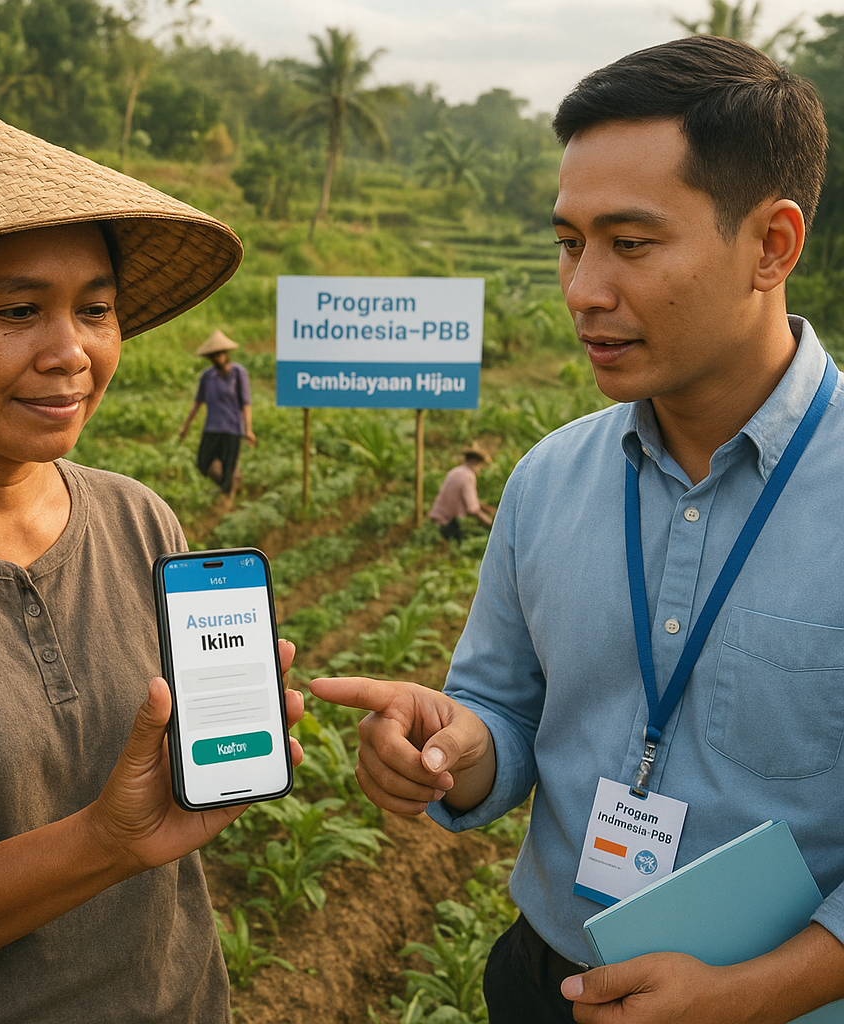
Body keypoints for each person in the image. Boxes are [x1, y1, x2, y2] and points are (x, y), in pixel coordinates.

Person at [311, 36, 844, 1024]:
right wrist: (453, 744)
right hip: (549, 981)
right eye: (569, 241)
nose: (581, 290)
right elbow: (505, 714)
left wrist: (745, 994)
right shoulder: (547, 478)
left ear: (772, 244)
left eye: (630, 244)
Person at [0, 100, 304, 1023]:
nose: (71, 352)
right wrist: (104, 843)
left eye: (96, 309)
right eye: (17, 310)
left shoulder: (138, 520)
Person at [179, 328, 255, 500]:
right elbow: (198, 403)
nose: (216, 358)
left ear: (226, 354)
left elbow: (246, 404)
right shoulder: (207, 376)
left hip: (233, 428)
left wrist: (248, 430)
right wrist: (186, 426)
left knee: (228, 467)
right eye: (213, 355)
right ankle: (231, 483)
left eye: (219, 354)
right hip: (212, 426)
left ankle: (226, 498)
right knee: (203, 463)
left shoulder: (238, 373)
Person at [427, 444, 495, 542]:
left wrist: (490, 510)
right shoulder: (468, 476)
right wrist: (491, 525)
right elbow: (473, 509)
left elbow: (472, 500)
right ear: (475, 462)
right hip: (446, 524)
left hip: (436, 520)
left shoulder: (456, 471)